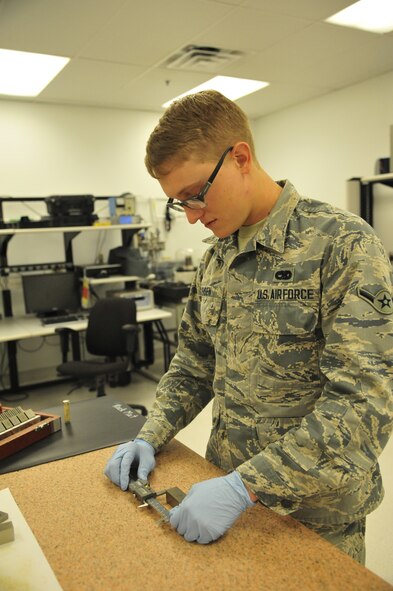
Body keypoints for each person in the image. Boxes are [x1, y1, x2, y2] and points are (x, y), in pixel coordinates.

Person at [105, 90, 393, 562]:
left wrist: (246, 487)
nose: (194, 216)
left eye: (196, 194)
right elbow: (195, 361)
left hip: (315, 516)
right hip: (223, 498)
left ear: (240, 157)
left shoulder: (342, 244)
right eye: (181, 203)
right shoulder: (218, 257)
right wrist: (150, 433)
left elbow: (365, 403)